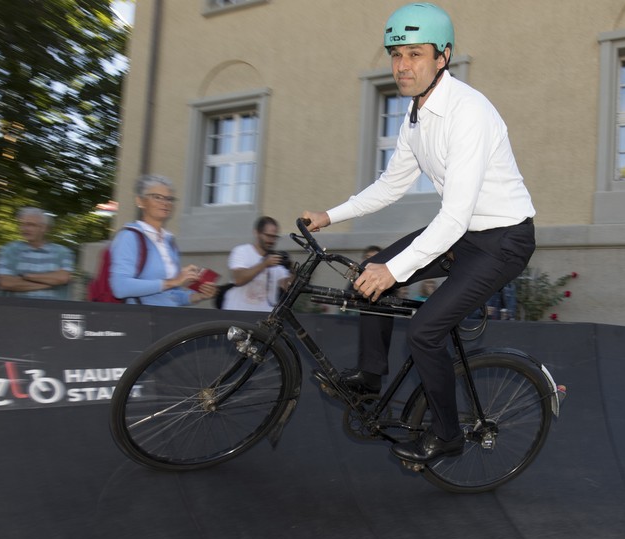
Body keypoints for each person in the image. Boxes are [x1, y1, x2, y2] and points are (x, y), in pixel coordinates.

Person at [302, 3, 536, 463]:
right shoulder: (416, 114)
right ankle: (371, 379)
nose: (402, 66)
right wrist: (329, 216)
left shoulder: (469, 112)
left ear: (442, 57)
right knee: (369, 273)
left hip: (503, 240)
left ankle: (448, 434)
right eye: (395, 55)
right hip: (463, 233)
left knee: (426, 330)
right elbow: (392, 185)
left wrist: (396, 271)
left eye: (414, 54)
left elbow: (454, 214)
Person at [109, 174, 217, 306]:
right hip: (140, 320)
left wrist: (199, 295)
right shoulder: (129, 237)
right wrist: (174, 281)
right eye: (157, 197)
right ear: (140, 201)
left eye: (169, 199)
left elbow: (171, 296)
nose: (165, 203)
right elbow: (120, 288)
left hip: (167, 319)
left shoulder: (168, 241)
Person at [0, 207, 75, 300]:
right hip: (16, 310)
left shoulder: (62, 252)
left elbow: (62, 278)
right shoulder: (9, 250)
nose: (25, 229)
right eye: (22, 224)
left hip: (51, 311)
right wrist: (49, 283)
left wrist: (27, 276)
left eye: (31, 225)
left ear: (44, 228)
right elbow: (6, 283)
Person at [221, 216, 290, 312]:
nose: (272, 240)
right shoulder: (242, 251)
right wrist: (264, 264)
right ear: (256, 233)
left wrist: (292, 269)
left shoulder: (275, 258)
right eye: (268, 236)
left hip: (263, 319)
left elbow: (288, 286)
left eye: (275, 237)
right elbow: (238, 279)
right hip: (237, 314)